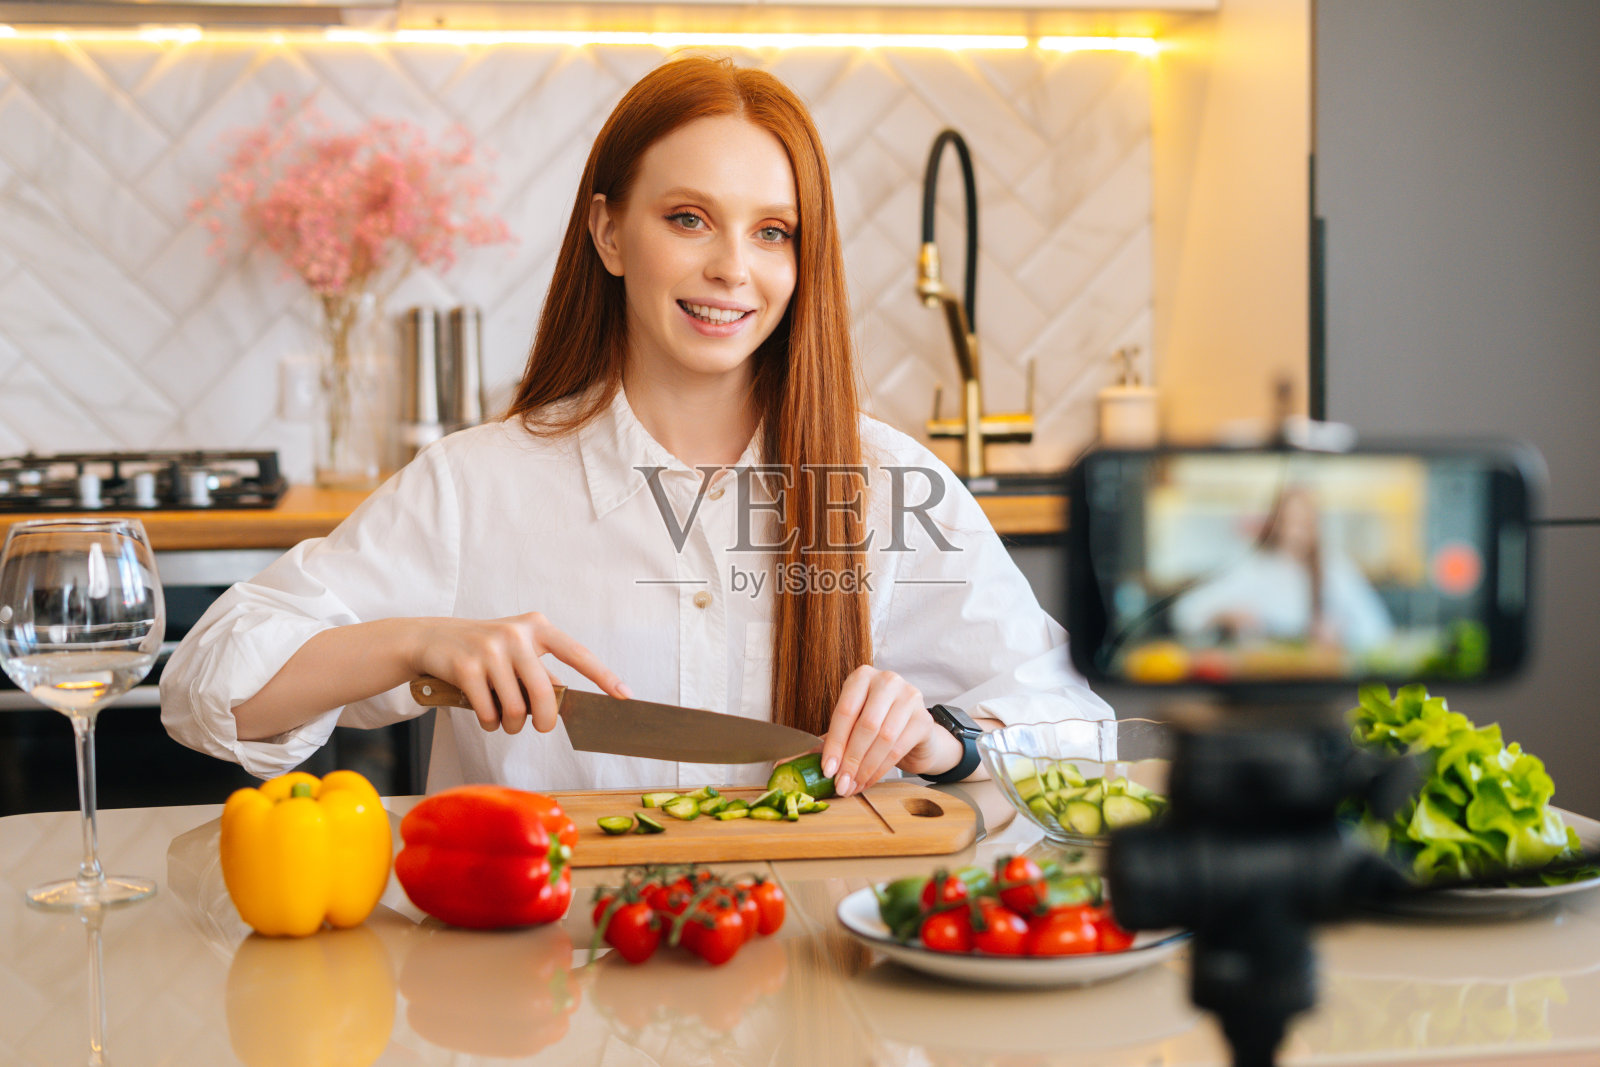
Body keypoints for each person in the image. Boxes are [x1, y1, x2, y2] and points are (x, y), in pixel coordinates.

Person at [161, 56, 1111, 796]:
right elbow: (205, 686)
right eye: (690, 218)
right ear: (610, 234)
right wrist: (413, 645)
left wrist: (947, 741)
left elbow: (1078, 726)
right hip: (545, 1002)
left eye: (773, 231)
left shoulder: (880, 482)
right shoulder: (476, 486)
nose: (734, 267)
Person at [1169, 483, 1394, 655]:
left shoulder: (1335, 568)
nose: (1296, 532)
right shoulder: (1253, 567)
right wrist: (1223, 615)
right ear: (1276, 524)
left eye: (1303, 522)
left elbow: (1378, 631)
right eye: (1289, 522)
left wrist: (1343, 635)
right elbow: (1185, 613)